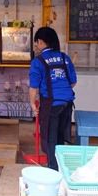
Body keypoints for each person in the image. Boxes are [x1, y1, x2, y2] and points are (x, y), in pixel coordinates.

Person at [29, 27, 77, 170]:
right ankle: (62, 168)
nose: (36, 45)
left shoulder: (38, 62)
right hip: (67, 103)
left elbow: (33, 87)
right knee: (60, 136)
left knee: (50, 138)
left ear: (42, 42)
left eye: (37, 42)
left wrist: (32, 105)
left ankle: (53, 170)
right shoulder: (65, 58)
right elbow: (73, 82)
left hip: (51, 105)